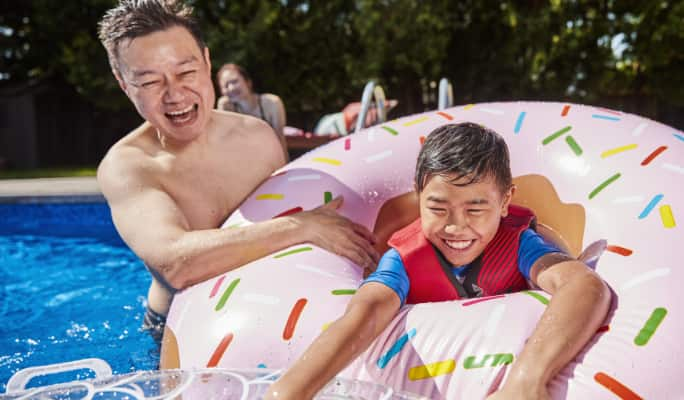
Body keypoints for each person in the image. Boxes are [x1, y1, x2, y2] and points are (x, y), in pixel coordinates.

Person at [96, 0, 379, 343]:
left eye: (186, 73)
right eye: (151, 82)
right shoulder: (128, 167)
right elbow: (176, 263)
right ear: (124, 84)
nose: (174, 95)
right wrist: (300, 227)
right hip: (175, 329)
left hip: (264, 309)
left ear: (207, 61)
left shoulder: (257, 138)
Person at [267, 123, 611, 400]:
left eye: (476, 209)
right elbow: (365, 313)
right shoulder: (404, 258)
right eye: (437, 208)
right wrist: (291, 391)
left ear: (505, 202)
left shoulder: (519, 244)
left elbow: (582, 283)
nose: (456, 226)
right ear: (418, 198)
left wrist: (526, 379)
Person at [215, 63, 289, 160]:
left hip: (272, 158)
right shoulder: (227, 106)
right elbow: (225, 141)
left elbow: (280, 139)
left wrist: (284, 168)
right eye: (225, 86)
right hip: (244, 160)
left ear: (248, 82)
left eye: (234, 82)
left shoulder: (272, 103)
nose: (231, 88)